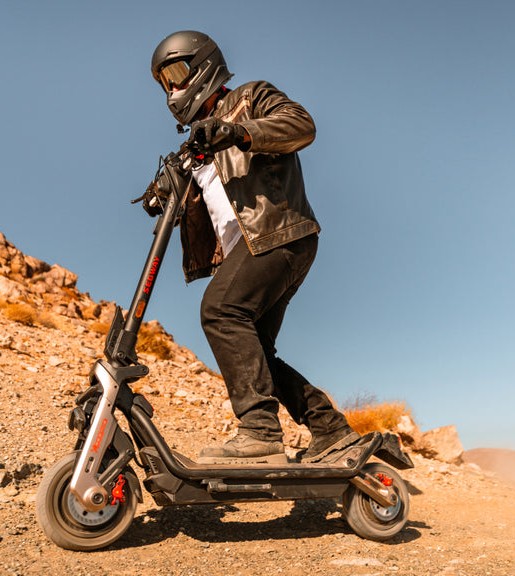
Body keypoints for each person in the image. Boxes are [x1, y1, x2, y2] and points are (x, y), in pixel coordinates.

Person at [146, 30, 358, 464]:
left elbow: (302, 125)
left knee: (220, 311)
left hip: (276, 234)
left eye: (177, 73)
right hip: (255, 247)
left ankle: (259, 431)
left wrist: (238, 131)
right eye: (164, 82)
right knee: (256, 350)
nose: (172, 89)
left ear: (203, 64)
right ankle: (329, 428)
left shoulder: (249, 97)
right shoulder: (195, 144)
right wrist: (163, 191)